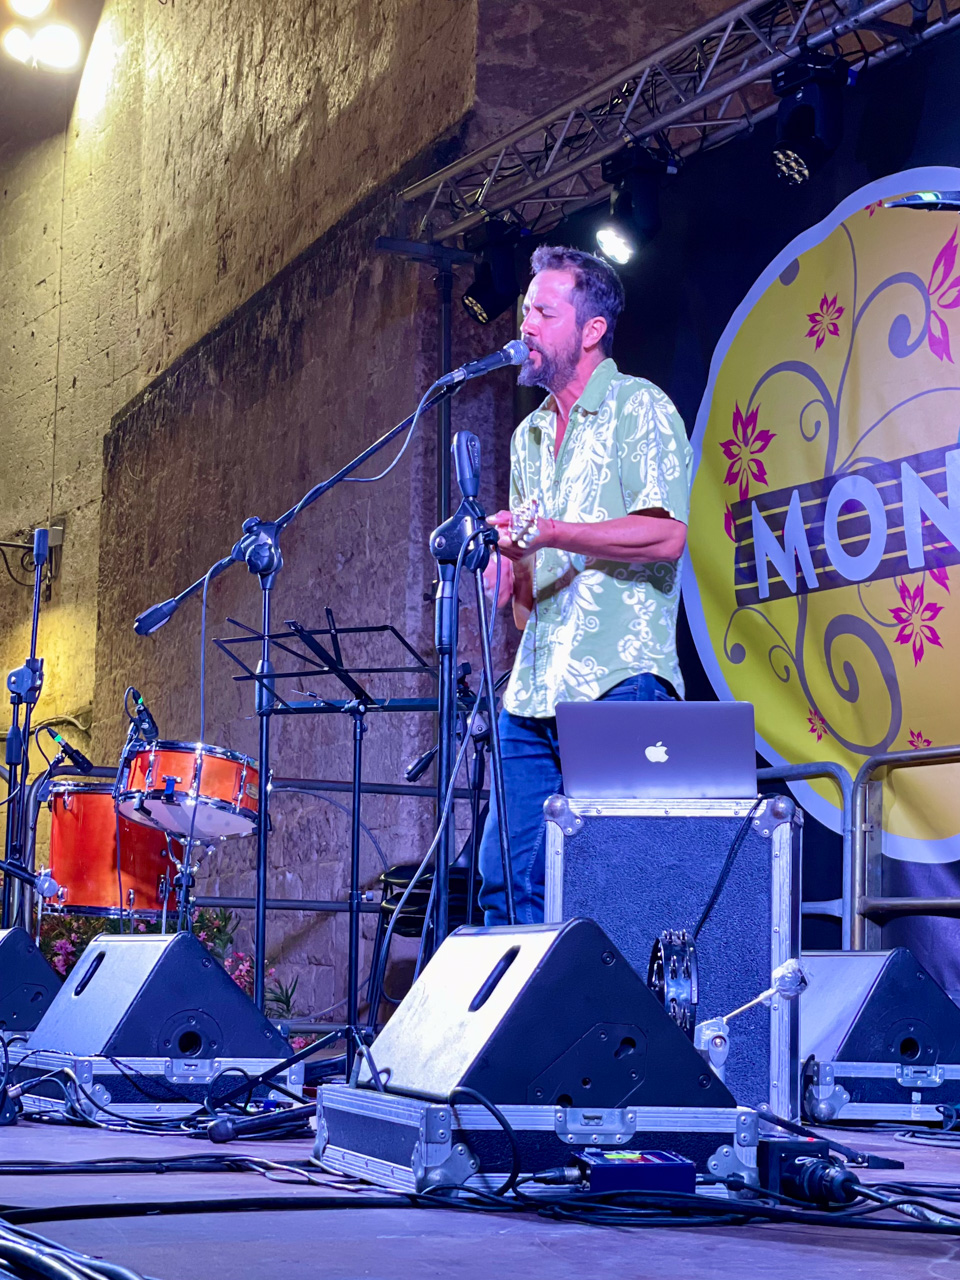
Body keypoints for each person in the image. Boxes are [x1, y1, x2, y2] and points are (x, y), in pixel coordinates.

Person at [477, 244, 692, 926]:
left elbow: (666, 535)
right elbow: (525, 609)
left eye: (544, 312)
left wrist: (552, 532)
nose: (526, 325)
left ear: (592, 329)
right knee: (506, 884)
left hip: (619, 682)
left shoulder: (639, 405)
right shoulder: (529, 436)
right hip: (531, 693)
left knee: (614, 889)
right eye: (524, 311)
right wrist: (510, 566)